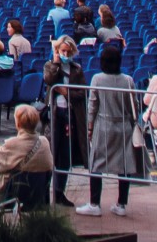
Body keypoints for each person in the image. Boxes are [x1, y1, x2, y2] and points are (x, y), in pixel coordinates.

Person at [79, 44, 138, 218]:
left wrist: (89, 127)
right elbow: (133, 105)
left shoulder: (97, 79)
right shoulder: (128, 80)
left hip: (103, 125)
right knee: (124, 166)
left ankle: (94, 203)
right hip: (124, 126)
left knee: (96, 163)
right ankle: (121, 203)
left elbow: (92, 106)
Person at [41, 35, 87, 208]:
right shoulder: (50, 65)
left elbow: (82, 92)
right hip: (54, 113)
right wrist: (56, 62)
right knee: (49, 153)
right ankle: (45, 192)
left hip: (70, 114)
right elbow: (49, 80)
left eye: (68, 51)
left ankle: (60, 192)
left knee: (65, 157)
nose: (65, 54)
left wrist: (66, 92)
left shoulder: (76, 69)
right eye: (62, 51)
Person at [0, 104, 53, 192]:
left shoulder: (12, 144)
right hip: (38, 194)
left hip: (13, 195)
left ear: (18, 124)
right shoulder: (44, 142)